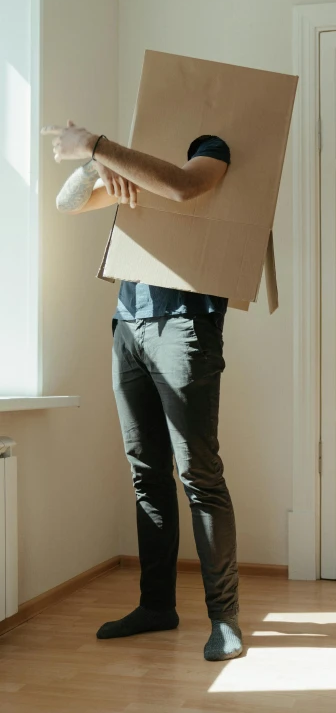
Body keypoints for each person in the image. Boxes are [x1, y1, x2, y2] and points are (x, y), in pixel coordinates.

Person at [41, 121, 242, 661]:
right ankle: (157, 606)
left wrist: (98, 147)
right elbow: (68, 201)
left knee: (199, 473)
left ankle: (225, 620)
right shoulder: (131, 157)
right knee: (146, 472)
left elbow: (183, 187)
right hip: (128, 324)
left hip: (186, 325)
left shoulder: (209, 145)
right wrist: (95, 163)